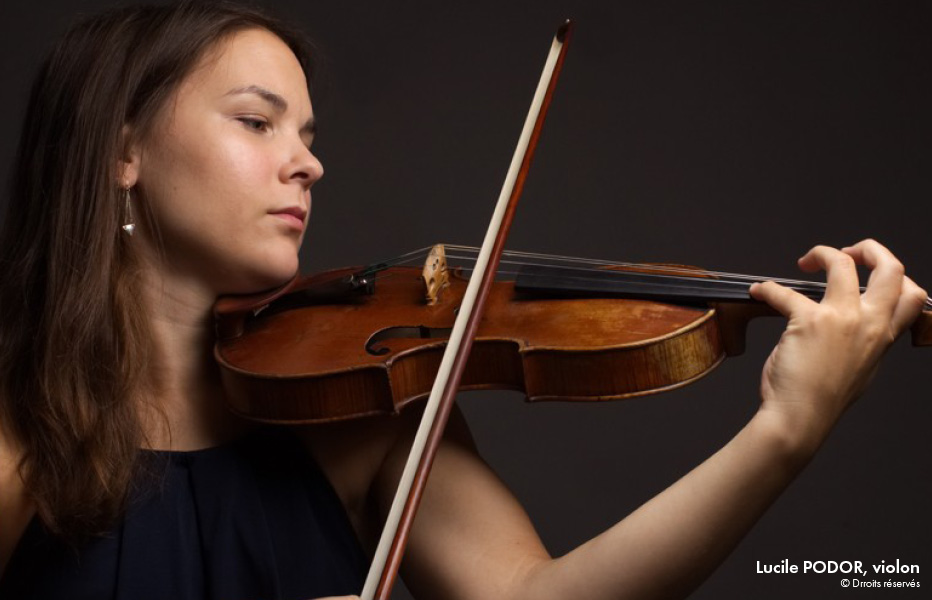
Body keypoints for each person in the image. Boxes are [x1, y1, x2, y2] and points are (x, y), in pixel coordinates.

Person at [0, 1, 926, 599]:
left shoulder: (361, 411)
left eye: (310, 132)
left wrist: (785, 432)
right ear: (121, 153)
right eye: (256, 121)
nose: (308, 161)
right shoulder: (17, 436)